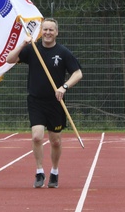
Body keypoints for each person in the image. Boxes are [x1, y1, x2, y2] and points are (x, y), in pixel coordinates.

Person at [6, 18, 83, 188]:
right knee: (37, 136)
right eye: (45, 30)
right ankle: (39, 171)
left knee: (55, 141)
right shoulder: (32, 49)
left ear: (56, 32)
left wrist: (64, 87)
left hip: (55, 102)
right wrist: (22, 45)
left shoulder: (63, 52)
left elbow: (77, 73)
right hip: (36, 101)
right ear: (41, 32)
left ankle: (54, 171)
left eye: (51, 30)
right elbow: (9, 60)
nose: (47, 33)